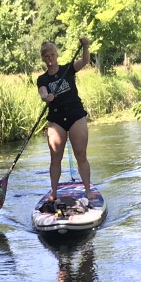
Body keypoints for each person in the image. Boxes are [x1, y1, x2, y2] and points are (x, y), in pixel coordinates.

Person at [36, 37, 101, 204]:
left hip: (75, 114)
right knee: (55, 157)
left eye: (52, 55)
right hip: (56, 118)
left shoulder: (68, 69)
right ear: (43, 58)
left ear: (56, 55)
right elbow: (43, 92)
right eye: (46, 56)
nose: (50, 59)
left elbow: (85, 61)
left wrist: (85, 46)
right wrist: (46, 97)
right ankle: (54, 192)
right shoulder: (42, 79)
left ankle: (88, 190)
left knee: (80, 153)